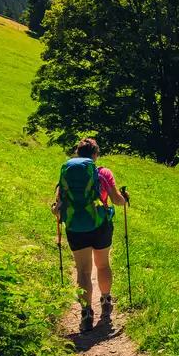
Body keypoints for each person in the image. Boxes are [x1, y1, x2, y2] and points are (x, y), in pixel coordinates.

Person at [51, 138, 128, 332]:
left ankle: (86, 312)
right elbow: (116, 200)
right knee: (103, 265)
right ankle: (106, 300)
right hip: (100, 225)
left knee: (83, 271)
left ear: (77, 153)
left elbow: (58, 208)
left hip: (76, 226)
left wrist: (55, 210)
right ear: (96, 155)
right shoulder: (103, 173)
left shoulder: (68, 173)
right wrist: (125, 199)